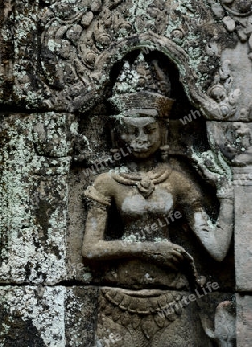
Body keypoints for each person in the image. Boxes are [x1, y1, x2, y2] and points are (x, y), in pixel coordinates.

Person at [82, 52, 234, 346]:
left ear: (163, 131)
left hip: (172, 301)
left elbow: (215, 249)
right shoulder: (107, 182)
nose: (140, 139)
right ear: (118, 135)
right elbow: (90, 249)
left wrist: (226, 195)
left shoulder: (176, 182)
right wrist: (148, 249)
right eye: (131, 131)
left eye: (149, 131)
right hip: (118, 301)